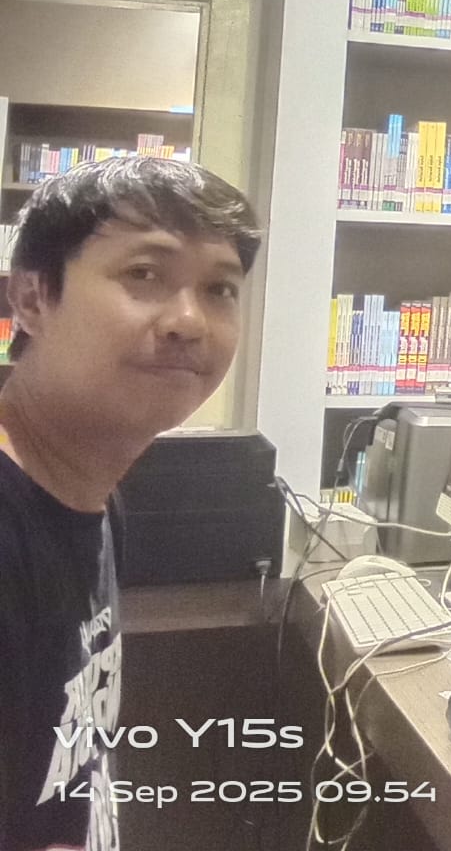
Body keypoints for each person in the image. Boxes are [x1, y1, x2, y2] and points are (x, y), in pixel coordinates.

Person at [0, 157, 260, 851]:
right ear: (31, 298)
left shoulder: (92, 485)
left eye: (220, 289)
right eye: (144, 274)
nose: (188, 321)